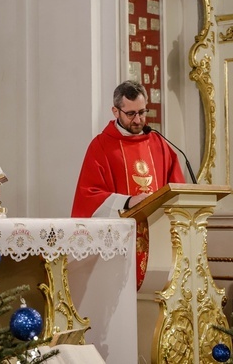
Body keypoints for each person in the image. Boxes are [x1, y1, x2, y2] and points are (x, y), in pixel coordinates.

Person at [71, 80, 185, 289]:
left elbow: (178, 189)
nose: (138, 119)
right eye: (131, 113)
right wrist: (128, 201)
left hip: (158, 238)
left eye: (142, 112)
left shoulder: (158, 143)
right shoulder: (101, 146)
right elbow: (88, 196)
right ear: (115, 111)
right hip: (119, 242)